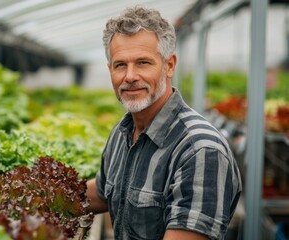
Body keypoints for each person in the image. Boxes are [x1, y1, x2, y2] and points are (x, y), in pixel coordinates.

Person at [85, 6, 242, 240]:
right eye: (120, 65)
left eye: (143, 63)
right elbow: (102, 193)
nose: (129, 76)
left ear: (169, 65)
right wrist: (37, 196)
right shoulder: (122, 132)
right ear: (110, 70)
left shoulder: (199, 150)